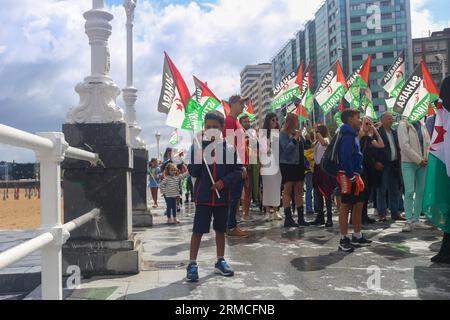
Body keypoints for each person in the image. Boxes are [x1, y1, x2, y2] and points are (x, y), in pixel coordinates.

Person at [186, 111, 243, 282]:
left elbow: (239, 171)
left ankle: (220, 260)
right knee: (198, 231)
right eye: (208, 127)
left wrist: (223, 182)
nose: (211, 130)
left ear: (223, 128)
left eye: (215, 127)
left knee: (220, 230)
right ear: (204, 128)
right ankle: (192, 263)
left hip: (222, 197)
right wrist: (197, 154)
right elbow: (193, 171)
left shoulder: (230, 148)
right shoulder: (198, 146)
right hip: (203, 197)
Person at [337, 109, 372, 253]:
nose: (360, 120)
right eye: (358, 118)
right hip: (347, 175)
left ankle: (357, 236)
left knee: (359, 204)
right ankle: (343, 239)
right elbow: (345, 158)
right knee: (345, 206)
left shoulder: (353, 135)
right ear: (350, 119)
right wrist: (351, 175)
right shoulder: (347, 136)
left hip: (355, 175)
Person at [223, 95, 250, 238]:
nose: (243, 106)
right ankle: (231, 226)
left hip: (239, 162)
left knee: (236, 196)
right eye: (241, 103)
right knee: (234, 196)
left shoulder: (235, 121)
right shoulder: (229, 120)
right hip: (235, 163)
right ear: (232, 103)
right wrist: (239, 165)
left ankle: (232, 225)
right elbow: (229, 145)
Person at [398, 117, 431, 232]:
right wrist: (419, 160)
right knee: (409, 191)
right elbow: (404, 146)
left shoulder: (422, 124)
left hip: (423, 163)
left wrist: (426, 158)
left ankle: (416, 220)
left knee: (421, 191)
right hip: (408, 163)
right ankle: (409, 221)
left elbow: (427, 143)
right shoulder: (403, 124)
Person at [279, 113, 309, 228]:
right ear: (291, 121)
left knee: (299, 190)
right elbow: (286, 150)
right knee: (287, 189)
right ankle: (288, 218)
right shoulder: (283, 134)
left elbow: (304, 147)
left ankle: (301, 218)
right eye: (296, 120)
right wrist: (295, 139)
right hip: (288, 165)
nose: (298, 122)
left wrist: (304, 139)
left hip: (299, 165)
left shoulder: (297, 133)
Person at [377, 112, 405, 222]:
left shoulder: (394, 132)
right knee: (382, 189)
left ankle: (395, 212)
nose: (391, 120)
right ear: (382, 120)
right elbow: (373, 149)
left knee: (395, 190)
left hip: (394, 165)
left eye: (392, 118)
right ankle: (382, 213)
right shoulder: (378, 133)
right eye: (389, 118)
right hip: (383, 165)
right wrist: (376, 162)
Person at [359, 117, 385, 225]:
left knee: (367, 192)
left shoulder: (369, 138)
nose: (369, 126)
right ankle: (358, 216)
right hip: (360, 168)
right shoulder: (359, 136)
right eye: (366, 124)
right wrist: (363, 129)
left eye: (370, 124)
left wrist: (375, 131)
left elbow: (381, 144)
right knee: (361, 194)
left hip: (369, 168)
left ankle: (364, 215)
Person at [311, 124, 335, 227]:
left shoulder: (326, 139)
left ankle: (329, 218)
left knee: (327, 193)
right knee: (317, 193)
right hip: (317, 168)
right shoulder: (317, 142)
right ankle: (320, 217)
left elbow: (324, 143)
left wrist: (317, 133)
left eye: (318, 131)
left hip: (323, 169)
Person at [260, 113, 283, 221]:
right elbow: (264, 150)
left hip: (277, 164)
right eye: (272, 120)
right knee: (267, 188)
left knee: (276, 187)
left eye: (276, 120)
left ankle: (276, 210)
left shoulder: (278, 133)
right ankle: (267, 212)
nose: (275, 122)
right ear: (268, 121)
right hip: (266, 164)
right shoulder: (263, 134)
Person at [238, 114, 252, 220]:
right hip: (239, 165)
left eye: (248, 121)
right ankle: (236, 213)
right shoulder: (238, 134)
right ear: (240, 123)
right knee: (236, 191)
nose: (248, 123)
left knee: (248, 190)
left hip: (249, 164)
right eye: (245, 121)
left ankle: (246, 214)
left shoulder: (252, 134)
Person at [304, 131, 316, 215]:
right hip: (309, 170)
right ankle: (309, 208)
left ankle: (315, 207)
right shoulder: (306, 146)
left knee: (313, 190)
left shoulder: (313, 145)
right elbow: (309, 156)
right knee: (310, 189)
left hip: (313, 170)